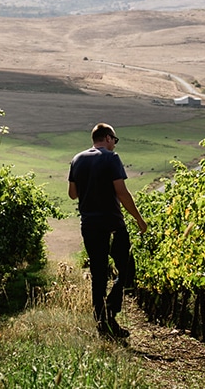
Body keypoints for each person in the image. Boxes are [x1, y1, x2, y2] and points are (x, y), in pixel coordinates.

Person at [68, 121, 147, 339]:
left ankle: (101, 321)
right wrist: (139, 218)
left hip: (89, 224)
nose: (114, 144)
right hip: (112, 223)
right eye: (115, 140)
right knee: (127, 269)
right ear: (108, 138)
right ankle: (111, 311)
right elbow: (121, 193)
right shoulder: (111, 158)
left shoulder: (77, 159)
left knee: (98, 273)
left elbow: (72, 194)